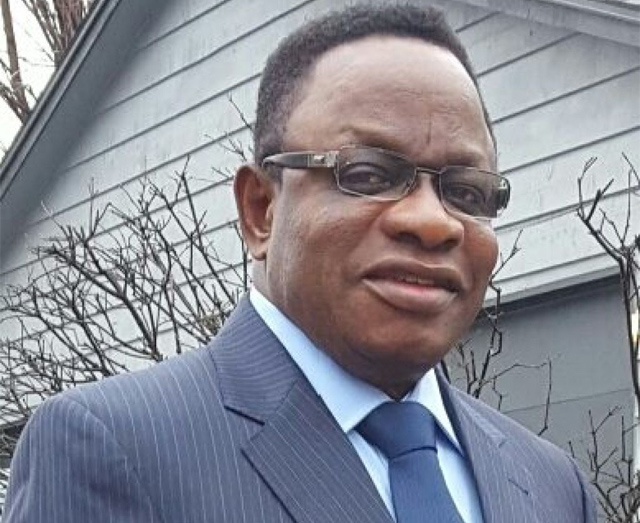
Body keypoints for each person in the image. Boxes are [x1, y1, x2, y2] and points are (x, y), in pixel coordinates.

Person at [4, 5, 596, 522]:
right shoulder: (113, 449)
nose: (433, 222)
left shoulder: (552, 484)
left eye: (465, 191)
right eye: (367, 174)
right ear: (261, 210)